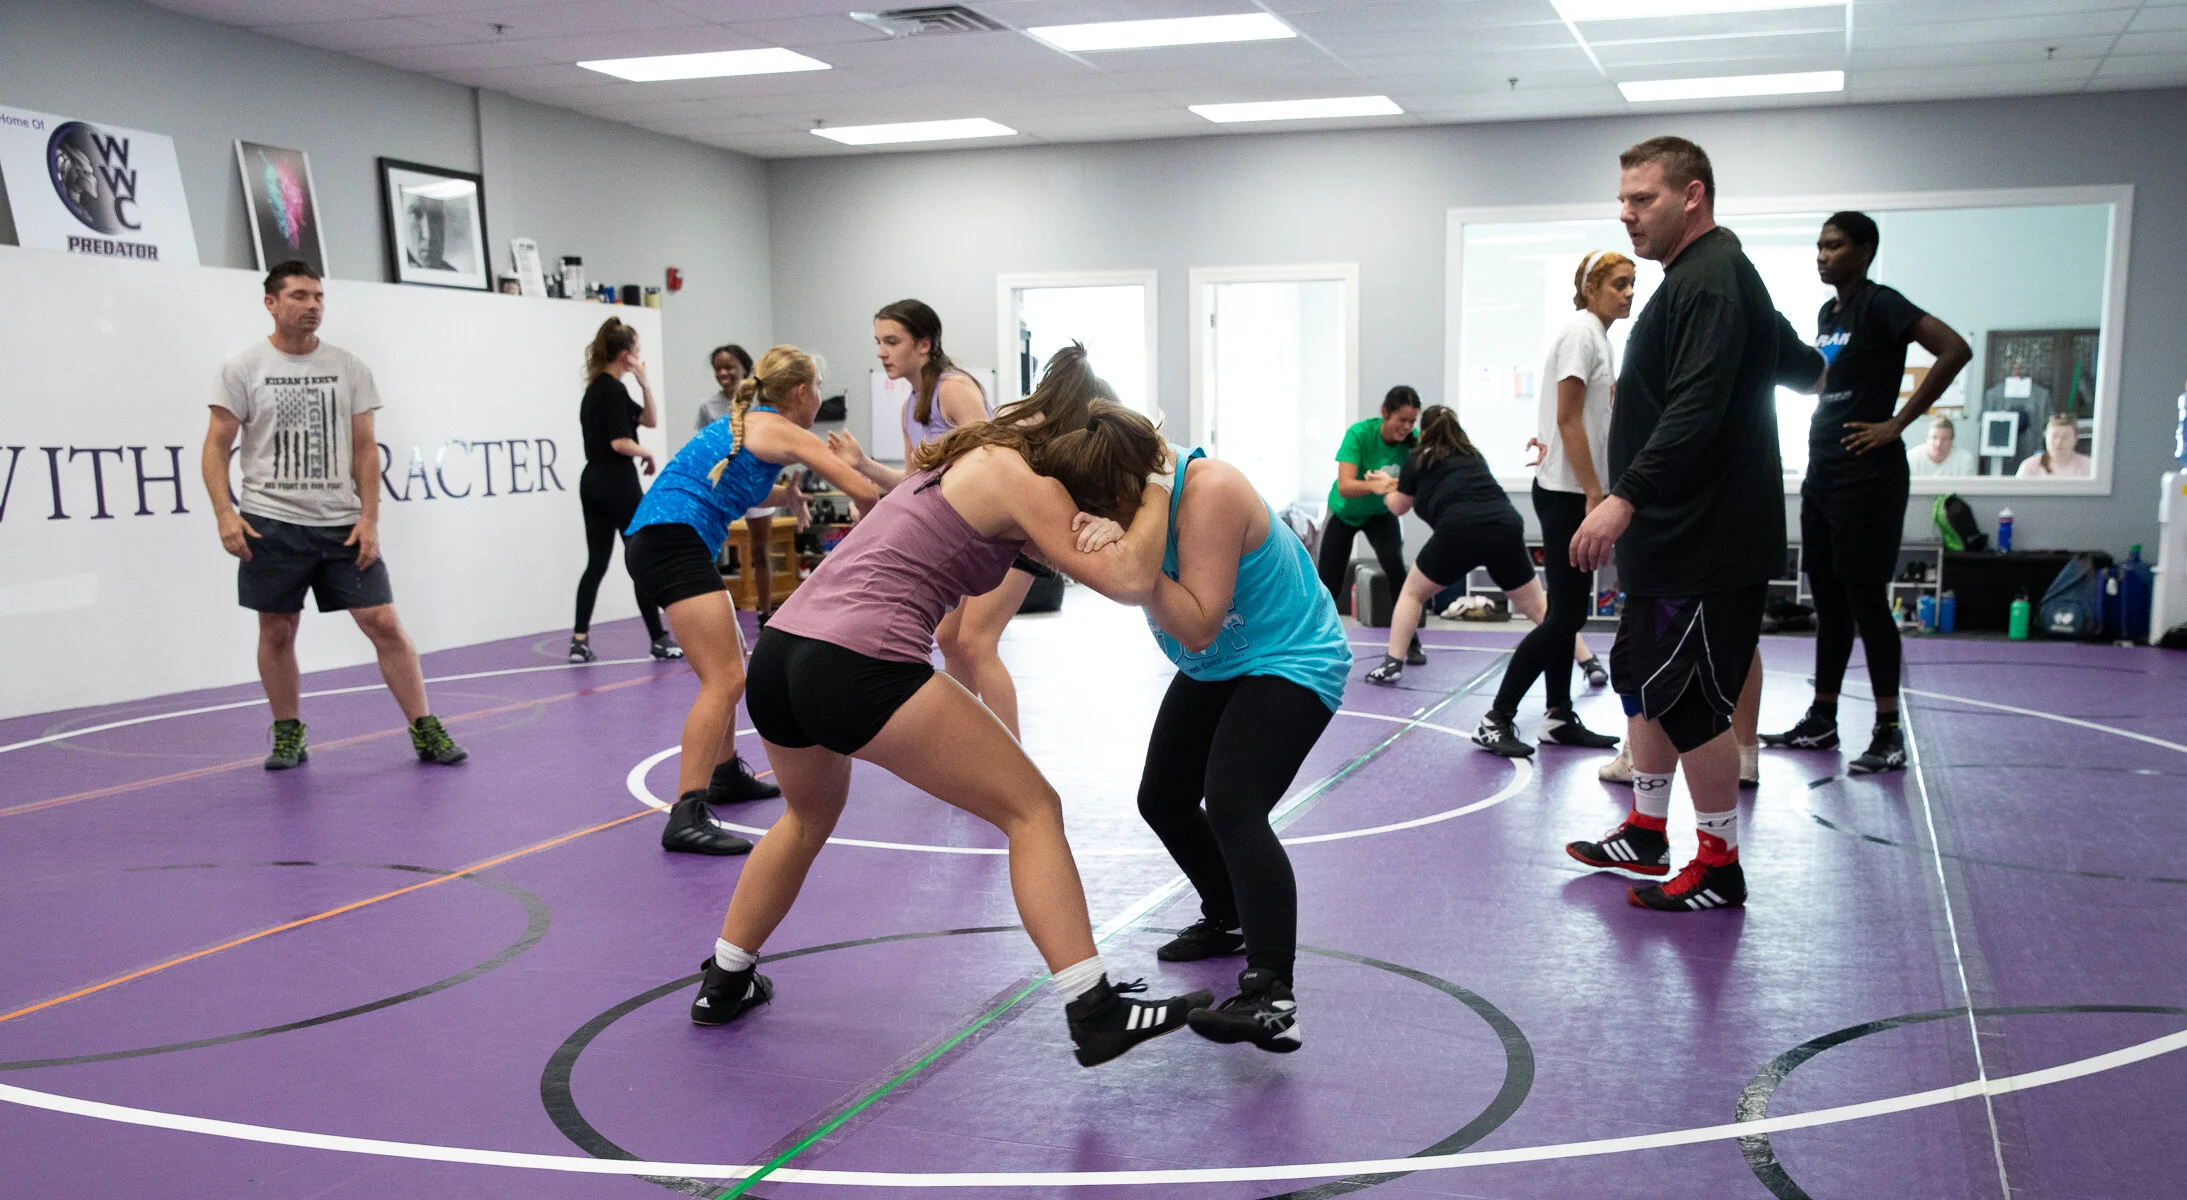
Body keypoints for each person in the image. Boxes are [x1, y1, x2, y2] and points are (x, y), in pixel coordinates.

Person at [691, 355, 1212, 1068]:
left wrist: (1092, 525)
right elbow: (1127, 578)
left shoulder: (971, 461)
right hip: (857, 662)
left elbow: (1073, 547)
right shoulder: (1013, 476)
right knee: (1033, 809)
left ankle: (725, 978)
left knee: (806, 817)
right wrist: (1155, 484)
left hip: (782, 654)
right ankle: (1094, 1010)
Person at [1561, 137, 1803, 911]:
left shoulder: (1713, 282)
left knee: (1694, 700)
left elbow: (1695, 407)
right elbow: (1794, 361)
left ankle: (1719, 863)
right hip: (1670, 535)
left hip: (1703, 536)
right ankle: (1645, 828)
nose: (1626, 216)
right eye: (1623, 201)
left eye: (1644, 200)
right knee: (1643, 681)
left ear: (1691, 194)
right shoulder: (1704, 279)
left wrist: (1622, 496)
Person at [1056, 434, 1349, 1052]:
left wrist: (1131, 562)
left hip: (1291, 658)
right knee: (1162, 797)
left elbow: (1196, 624)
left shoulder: (1208, 491)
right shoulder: (1132, 501)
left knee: (1235, 804)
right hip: (1220, 665)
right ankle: (1227, 916)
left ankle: (1273, 997)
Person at [199, 260, 466, 771]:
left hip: (340, 522)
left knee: (383, 621)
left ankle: (424, 726)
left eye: (318, 296)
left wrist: (370, 520)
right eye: (299, 296)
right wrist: (224, 514)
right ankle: (288, 732)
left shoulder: (349, 367)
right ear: (271, 303)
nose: (313, 306)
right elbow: (216, 445)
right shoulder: (242, 367)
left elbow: (366, 450)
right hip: (270, 522)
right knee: (277, 629)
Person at [623, 346, 881, 854]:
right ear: (801, 393)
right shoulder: (784, 429)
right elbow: (861, 490)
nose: (819, 401)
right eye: (818, 391)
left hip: (661, 538)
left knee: (725, 669)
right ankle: (686, 814)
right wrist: (875, 527)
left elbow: (735, 488)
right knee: (726, 678)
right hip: (672, 541)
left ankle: (723, 777)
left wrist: (786, 497)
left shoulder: (750, 425)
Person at [1762, 212, 1972, 774]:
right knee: (1828, 604)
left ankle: (1888, 731)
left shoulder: (1881, 304)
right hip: (1824, 472)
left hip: (1868, 478)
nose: (1822, 255)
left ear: (1865, 250)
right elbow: (1823, 382)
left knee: (1867, 603)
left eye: (1834, 246)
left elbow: (1954, 349)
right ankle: (1822, 719)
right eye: (1818, 246)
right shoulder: (1828, 313)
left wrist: (1897, 423)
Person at [831, 298, 1042, 739]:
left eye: (892, 341)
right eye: (878, 342)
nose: (882, 352)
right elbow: (914, 485)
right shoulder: (911, 405)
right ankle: (968, 745)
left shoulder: (953, 388)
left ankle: (1014, 765)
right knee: (948, 640)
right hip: (968, 537)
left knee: (975, 643)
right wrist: (863, 466)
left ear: (924, 344)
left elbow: (996, 452)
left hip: (1001, 530)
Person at [1359, 408, 1620, 750]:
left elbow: (1398, 506)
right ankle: (1589, 662)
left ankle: (1393, 663)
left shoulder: (1418, 458)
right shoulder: (1472, 455)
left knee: (1412, 593)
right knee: (1544, 609)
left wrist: (1383, 487)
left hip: (1458, 531)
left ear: (1425, 433)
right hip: (1505, 527)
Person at [1481, 250, 1636, 752]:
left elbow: (1573, 418)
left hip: (1573, 489)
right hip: (1572, 496)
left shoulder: (1597, 338)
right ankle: (1496, 718)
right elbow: (1569, 418)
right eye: (1618, 283)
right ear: (1590, 288)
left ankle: (1557, 716)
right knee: (1565, 616)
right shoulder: (1581, 333)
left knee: (1566, 613)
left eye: (1632, 283)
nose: (1629, 292)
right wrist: (1596, 493)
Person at [569, 317, 678, 664]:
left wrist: (644, 383)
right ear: (625, 354)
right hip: (617, 481)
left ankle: (579, 640)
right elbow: (620, 442)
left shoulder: (598, 389)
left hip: (592, 481)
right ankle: (658, 639)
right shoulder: (612, 390)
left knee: (596, 563)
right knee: (641, 558)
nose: (640, 357)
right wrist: (645, 452)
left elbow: (649, 420)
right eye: (637, 352)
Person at [1316, 387, 1425, 665]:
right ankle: (1316, 643)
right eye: (1401, 419)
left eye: (1412, 421)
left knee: (1396, 570)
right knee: (1329, 579)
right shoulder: (1360, 435)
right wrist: (1377, 485)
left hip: (1380, 514)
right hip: (1344, 512)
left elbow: (1420, 481)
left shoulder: (1412, 443)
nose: (1407, 427)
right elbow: (1346, 486)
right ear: (1385, 413)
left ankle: (1411, 642)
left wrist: (1393, 486)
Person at [699, 344, 803, 620]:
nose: (724, 373)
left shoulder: (760, 405)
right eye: (718, 368)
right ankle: (717, 612)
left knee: (759, 550)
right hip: (724, 488)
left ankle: (765, 612)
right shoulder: (708, 407)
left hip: (756, 486)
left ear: (745, 369)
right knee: (709, 549)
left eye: (729, 367)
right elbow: (703, 448)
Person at [2016, 413, 2091, 478]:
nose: (2059, 441)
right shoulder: (2030, 466)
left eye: (2065, 437)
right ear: (2046, 438)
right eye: (2054, 436)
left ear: (2075, 439)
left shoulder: (2089, 466)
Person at [1908, 413, 1976, 476]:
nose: (1938, 444)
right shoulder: (1912, 458)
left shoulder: (1964, 459)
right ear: (1927, 439)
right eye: (1934, 438)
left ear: (1951, 441)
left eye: (1945, 439)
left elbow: (1967, 488)